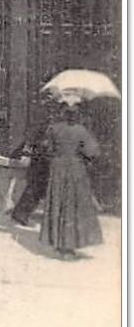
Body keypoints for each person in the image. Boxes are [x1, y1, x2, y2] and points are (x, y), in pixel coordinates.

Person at [41, 101, 103, 257]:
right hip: (75, 169)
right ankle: (68, 245)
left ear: (64, 113)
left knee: (57, 203)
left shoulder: (54, 128)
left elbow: (46, 148)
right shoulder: (81, 131)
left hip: (57, 168)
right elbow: (92, 152)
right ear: (76, 114)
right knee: (72, 204)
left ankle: (57, 241)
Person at [9, 112, 53, 226]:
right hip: (40, 161)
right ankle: (20, 214)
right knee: (35, 188)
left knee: (38, 189)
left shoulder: (52, 125)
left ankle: (21, 213)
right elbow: (32, 140)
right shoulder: (44, 125)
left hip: (47, 160)